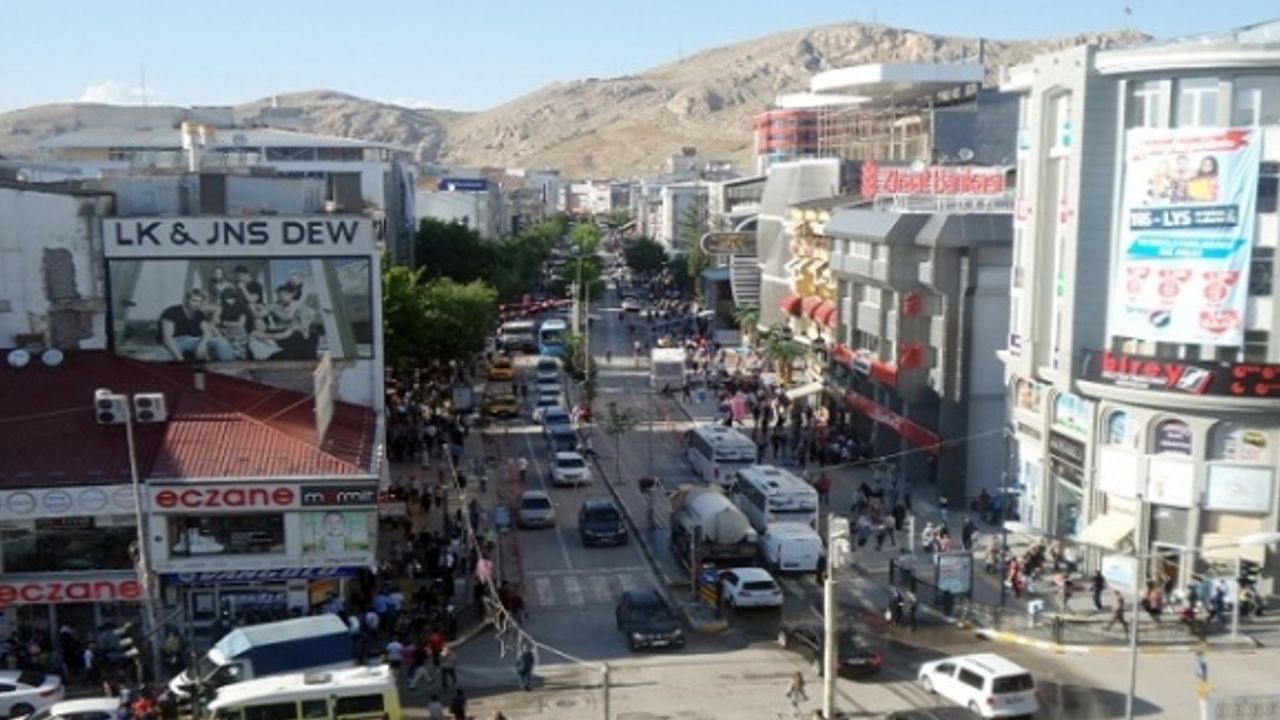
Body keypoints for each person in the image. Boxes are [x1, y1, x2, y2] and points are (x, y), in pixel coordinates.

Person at [158, 288, 235, 361]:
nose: (197, 304)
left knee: (221, 342)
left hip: (191, 340)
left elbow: (207, 331)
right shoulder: (172, 312)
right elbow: (167, 338)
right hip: (174, 341)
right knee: (162, 357)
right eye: (194, 301)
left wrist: (202, 344)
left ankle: (229, 368)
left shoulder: (199, 314)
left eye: (200, 302)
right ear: (186, 300)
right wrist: (181, 360)